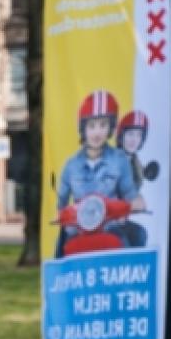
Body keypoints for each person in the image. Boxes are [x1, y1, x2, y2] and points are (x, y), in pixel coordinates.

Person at [55, 90, 146, 256]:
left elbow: (130, 194)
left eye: (103, 125)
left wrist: (134, 204)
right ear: (83, 128)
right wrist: (62, 214)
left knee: (129, 249)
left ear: (110, 128)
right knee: (61, 251)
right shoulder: (71, 165)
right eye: (91, 126)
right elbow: (60, 203)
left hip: (111, 228)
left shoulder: (120, 160)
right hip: (78, 230)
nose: (97, 132)